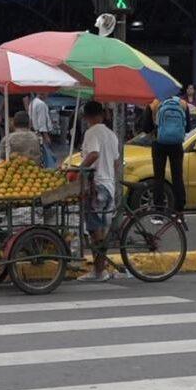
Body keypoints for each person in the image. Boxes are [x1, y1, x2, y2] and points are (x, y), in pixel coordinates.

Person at [76, 100, 125, 282]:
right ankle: (100, 269)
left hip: (97, 186)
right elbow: (115, 162)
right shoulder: (111, 135)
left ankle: (99, 271)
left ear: (87, 117)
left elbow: (94, 153)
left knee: (94, 229)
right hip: (109, 185)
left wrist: (80, 170)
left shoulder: (91, 132)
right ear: (102, 114)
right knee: (101, 230)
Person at [149, 92, 192, 222]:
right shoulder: (183, 104)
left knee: (159, 178)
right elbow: (188, 128)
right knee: (177, 177)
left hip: (159, 143)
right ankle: (179, 213)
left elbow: (146, 127)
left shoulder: (154, 104)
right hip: (177, 145)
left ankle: (158, 214)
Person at [29, 93, 56, 168]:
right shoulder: (41, 104)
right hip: (41, 134)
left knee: (40, 155)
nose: (47, 95)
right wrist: (46, 137)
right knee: (46, 156)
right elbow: (42, 122)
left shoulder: (32, 102)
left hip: (35, 132)